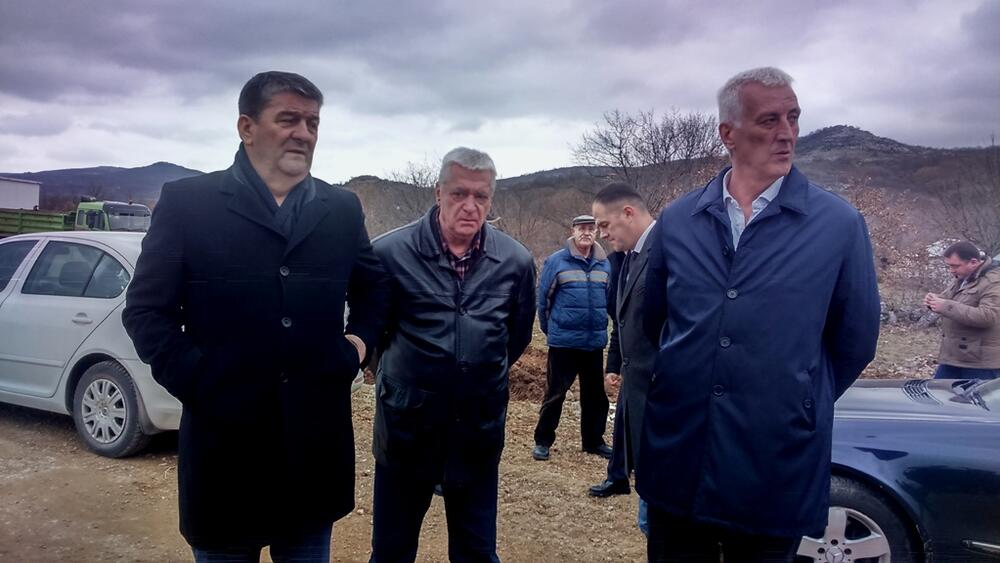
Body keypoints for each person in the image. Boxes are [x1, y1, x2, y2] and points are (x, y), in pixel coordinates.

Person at [122, 71, 389, 562]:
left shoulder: (340, 209)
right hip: (224, 453)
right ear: (246, 127)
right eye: (288, 119)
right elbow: (145, 311)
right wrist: (197, 378)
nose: (303, 133)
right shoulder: (189, 203)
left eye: (312, 122)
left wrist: (357, 346)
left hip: (313, 452)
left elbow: (374, 288)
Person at [637, 67, 880, 562]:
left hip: (775, 461)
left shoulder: (837, 225)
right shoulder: (680, 220)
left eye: (793, 117)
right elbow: (653, 321)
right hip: (681, 453)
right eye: (769, 120)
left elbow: (854, 340)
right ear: (728, 133)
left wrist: (795, 397)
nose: (787, 133)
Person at [369, 147, 536, 562]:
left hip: (477, 432)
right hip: (406, 430)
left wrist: (473, 375)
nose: (470, 206)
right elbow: (374, 337)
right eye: (459, 193)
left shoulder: (515, 261)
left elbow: (514, 338)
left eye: (481, 196)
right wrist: (410, 381)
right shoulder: (388, 254)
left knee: (477, 551)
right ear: (438, 192)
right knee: (391, 551)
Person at [588, 184, 657, 538]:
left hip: (664, 400)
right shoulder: (628, 257)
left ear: (628, 213)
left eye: (604, 224)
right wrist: (614, 363)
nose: (601, 234)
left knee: (657, 522)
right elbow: (623, 320)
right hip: (639, 393)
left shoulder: (668, 252)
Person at [532, 214, 613, 461]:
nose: (586, 233)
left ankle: (593, 441)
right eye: (581, 228)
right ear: (573, 231)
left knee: (595, 396)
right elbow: (543, 301)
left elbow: (609, 300)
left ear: (596, 232)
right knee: (555, 394)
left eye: (591, 229)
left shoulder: (604, 264)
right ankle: (543, 441)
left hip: (593, 343)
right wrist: (552, 331)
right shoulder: (557, 261)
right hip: (564, 343)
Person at [924, 241, 999, 379]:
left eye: (955, 266)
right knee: (938, 391)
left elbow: (988, 316)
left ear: (973, 262)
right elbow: (950, 298)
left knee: (974, 395)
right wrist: (934, 300)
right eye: (949, 266)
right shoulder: (963, 277)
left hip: (981, 364)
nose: (951, 270)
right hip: (954, 357)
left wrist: (945, 306)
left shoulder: (993, 282)